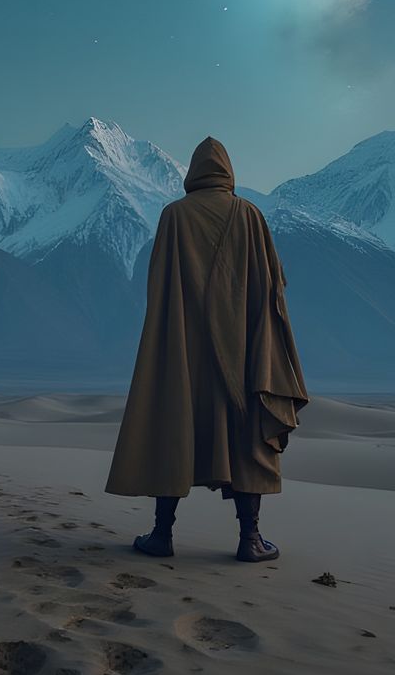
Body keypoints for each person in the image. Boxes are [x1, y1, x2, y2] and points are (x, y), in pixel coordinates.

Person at [104, 135, 308, 562]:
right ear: (229, 173)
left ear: (193, 174)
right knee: (248, 441)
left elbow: (159, 291)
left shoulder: (174, 217)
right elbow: (272, 292)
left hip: (184, 355)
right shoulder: (250, 216)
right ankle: (249, 540)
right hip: (246, 355)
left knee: (173, 432)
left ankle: (162, 535)